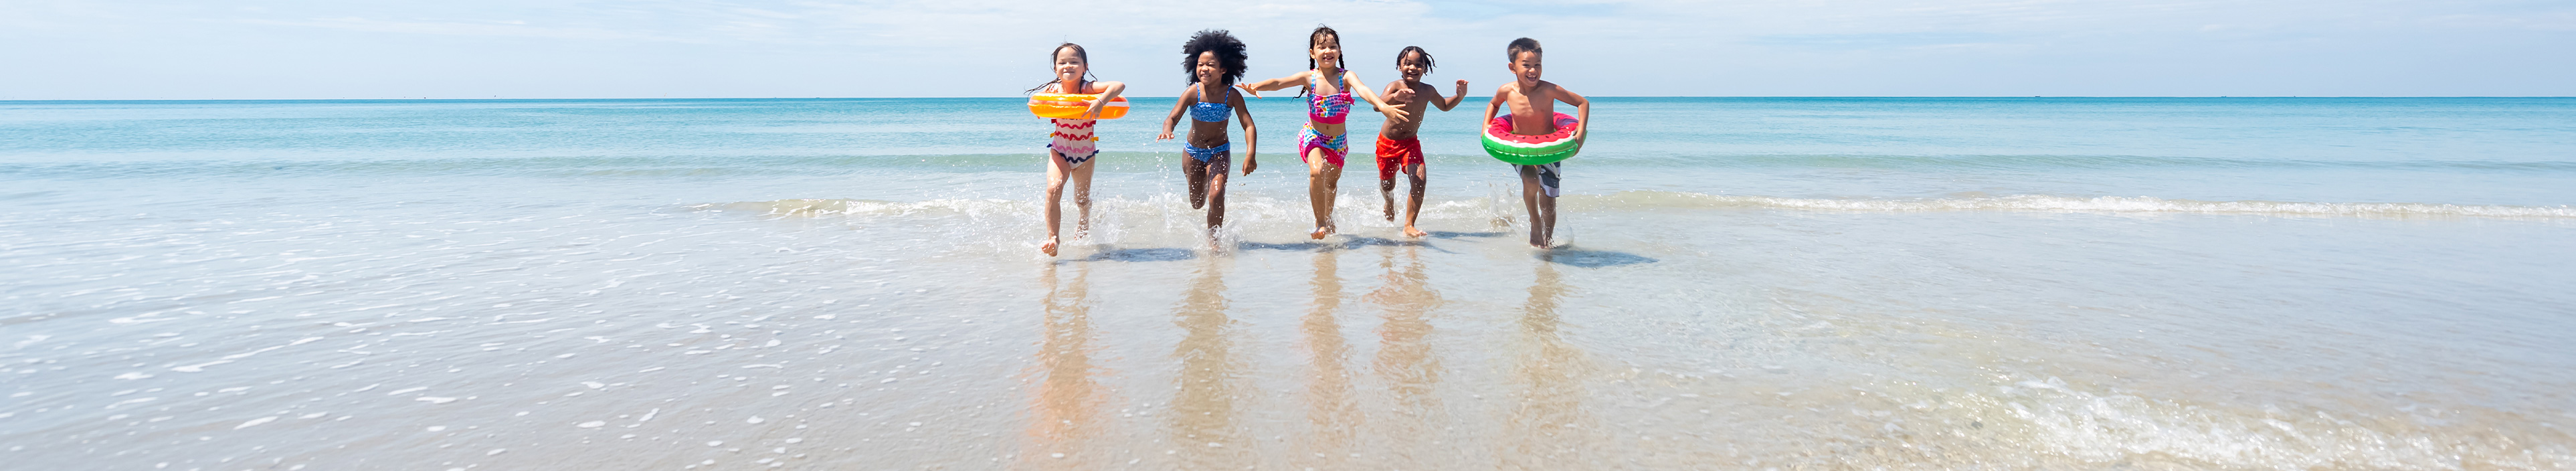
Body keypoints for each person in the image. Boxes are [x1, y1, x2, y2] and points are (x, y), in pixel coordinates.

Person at [1237, 25, 1410, 240]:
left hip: (1338, 141)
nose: (1327, 51)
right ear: (1312, 53)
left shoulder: (1346, 77)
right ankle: (1320, 223)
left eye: (1332, 47)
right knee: (1317, 172)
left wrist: (1382, 106)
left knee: (1331, 184)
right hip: (1314, 136)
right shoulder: (1308, 78)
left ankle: (1328, 220)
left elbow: (1363, 90)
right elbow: (1280, 83)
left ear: (1339, 51)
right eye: (1322, 47)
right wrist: (1256, 86)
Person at [1480, 37, 1589, 248]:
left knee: (1548, 202)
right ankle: (1534, 221)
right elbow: (1494, 104)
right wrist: (1486, 125)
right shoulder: (1507, 91)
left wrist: (1581, 133)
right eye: (1526, 65)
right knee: (1530, 181)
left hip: (1550, 150)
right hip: (1522, 149)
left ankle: (1547, 242)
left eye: (1537, 65)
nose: (1533, 71)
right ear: (1513, 67)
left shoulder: (1549, 90)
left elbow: (1582, 103)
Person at [1156, 30, 1258, 247]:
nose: (1204, 69)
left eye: (1210, 65)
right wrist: (1167, 129)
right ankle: (1203, 191)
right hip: (1193, 153)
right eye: (1201, 64)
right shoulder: (1193, 92)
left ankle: (1214, 241)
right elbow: (1172, 117)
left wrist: (1250, 154)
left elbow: (1248, 125)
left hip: (1220, 151)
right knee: (1197, 203)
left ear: (1223, 69)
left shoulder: (1232, 95)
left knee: (1217, 194)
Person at [1031, 43, 1125, 256]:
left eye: (1074, 62)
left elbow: (1119, 86)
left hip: (1085, 155)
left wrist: (1101, 102)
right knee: (1054, 188)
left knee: (1081, 200)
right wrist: (1040, 110)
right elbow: (1037, 102)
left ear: (1085, 67)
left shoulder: (1088, 89)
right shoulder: (1052, 91)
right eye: (1062, 62)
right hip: (1060, 151)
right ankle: (1053, 239)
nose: (1068, 66)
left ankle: (1084, 218)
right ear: (1055, 68)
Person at [1373, 46, 1467, 238]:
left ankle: (1409, 225)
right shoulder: (1395, 86)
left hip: (1410, 143)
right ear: (1399, 66)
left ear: (1425, 68)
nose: (1413, 68)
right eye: (1408, 63)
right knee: (1387, 184)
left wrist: (1460, 96)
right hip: (1388, 143)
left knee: (1420, 180)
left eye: (1418, 64)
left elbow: (1445, 106)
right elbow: (1377, 105)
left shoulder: (1428, 90)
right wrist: (1394, 98)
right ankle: (1389, 202)